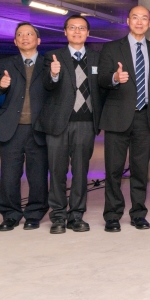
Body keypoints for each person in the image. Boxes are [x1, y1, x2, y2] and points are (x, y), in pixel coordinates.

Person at [97, 5, 150, 232]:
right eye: (135, 17)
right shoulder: (111, 48)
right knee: (114, 170)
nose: (139, 22)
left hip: (145, 118)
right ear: (127, 21)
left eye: (144, 18)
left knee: (140, 170)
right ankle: (113, 215)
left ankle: (138, 214)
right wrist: (114, 77)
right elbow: (102, 80)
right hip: (118, 118)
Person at [38, 14, 102, 234]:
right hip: (58, 123)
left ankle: (76, 215)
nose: (77, 31)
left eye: (82, 28)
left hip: (85, 123)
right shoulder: (52, 57)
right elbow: (46, 85)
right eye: (72, 28)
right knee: (56, 171)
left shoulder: (96, 58)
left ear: (88, 33)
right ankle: (57, 216)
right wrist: (53, 75)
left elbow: (101, 88)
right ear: (65, 32)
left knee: (81, 172)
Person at [0, 22, 48, 231]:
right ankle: (10, 214)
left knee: (38, 175)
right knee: (9, 175)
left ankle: (34, 214)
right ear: (15, 41)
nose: (25, 37)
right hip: (12, 128)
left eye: (29, 34)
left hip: (39, 128)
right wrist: (1, 85)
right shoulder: (6, 63)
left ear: (38, 40)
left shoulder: (48, 63)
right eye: (20, 35)